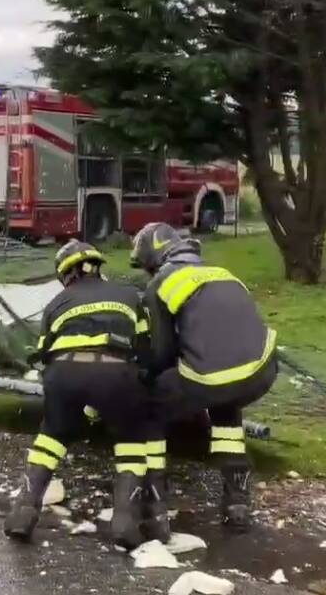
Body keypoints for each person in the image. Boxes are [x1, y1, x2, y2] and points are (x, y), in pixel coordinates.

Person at [4, 240, 166, 549]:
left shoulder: (56, 303)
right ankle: (125, 523)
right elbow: (146, 350)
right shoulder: (130, 295)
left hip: (63, 373)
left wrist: (66, 400)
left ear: (66, 275)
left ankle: (23, 513)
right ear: (98, 267)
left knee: (51, 436)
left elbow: (43, 354)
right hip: (116, 372)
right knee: (131, 440)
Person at [131, 222, 278, 530]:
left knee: (151, 407)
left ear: (152, 260)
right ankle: (237, 501)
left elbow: (161, 354)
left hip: (213, 376)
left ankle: (154, 499)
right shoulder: (223, 273)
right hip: (261, 370)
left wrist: (142, 374)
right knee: (226, 403)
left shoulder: (161, 283)